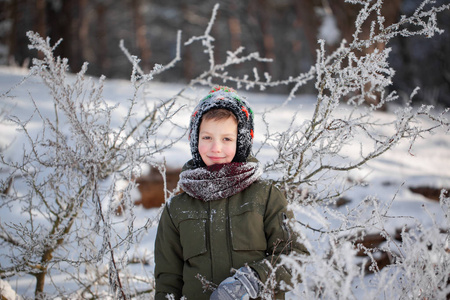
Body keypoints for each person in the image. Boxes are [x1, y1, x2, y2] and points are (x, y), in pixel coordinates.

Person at [154, 86, 309, 300]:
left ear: (242, 142)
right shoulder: (177, 209)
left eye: (227, 139)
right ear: (194, 140)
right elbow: (167, 281)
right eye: (207, 137)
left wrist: (252, 280)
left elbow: (296, 258)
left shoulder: (266, 197)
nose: (215, 148)